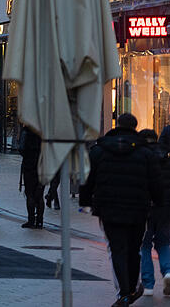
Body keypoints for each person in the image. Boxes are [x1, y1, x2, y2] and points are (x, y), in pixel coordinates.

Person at [80, 113, 162, 306]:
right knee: (134, 249)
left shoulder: (99, 150)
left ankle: (124, 292)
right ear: (135, 126)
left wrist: (86, 201)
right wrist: (158, 202)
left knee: (117, 249)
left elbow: (87, 179)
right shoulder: (145, 152)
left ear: (117, 125)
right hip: (138, 209)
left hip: (108, 208)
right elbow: (155, 181)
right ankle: (132, 289)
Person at [141, 128, 170, 297]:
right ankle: (168, 271)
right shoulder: (166, 160)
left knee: (144, 245)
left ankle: (148, 284)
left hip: (145, 208)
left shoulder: (141, 158)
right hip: (165, 208)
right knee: (163, 242)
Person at [19, 126, 45, 229]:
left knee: (29, 193)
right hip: (42, 165)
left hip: (29, 165)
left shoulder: (26, 131)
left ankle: (31, 220)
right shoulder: (44, 130)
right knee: (39, 194)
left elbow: (21, 148)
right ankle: (40, 221)